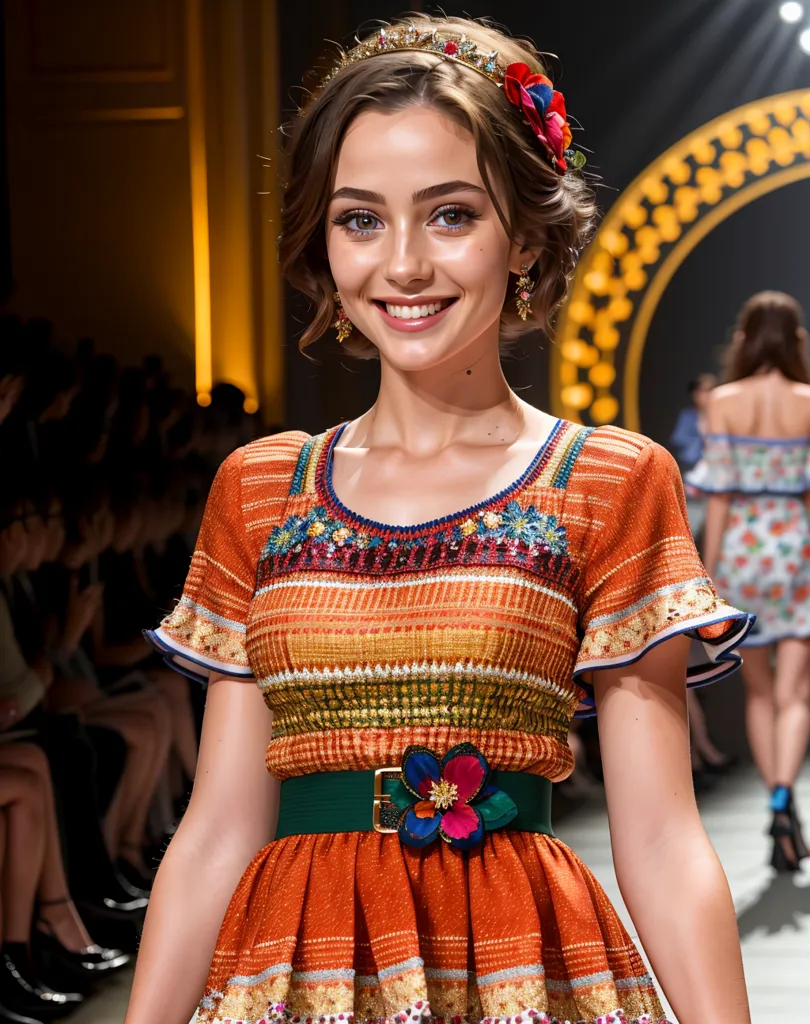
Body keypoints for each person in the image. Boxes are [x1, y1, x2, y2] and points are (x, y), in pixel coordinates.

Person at [125, 16, 753, 1024]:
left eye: (451, 214)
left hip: (520, 970)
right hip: (295, 974)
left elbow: (662, 838)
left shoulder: (606, 480)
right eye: (360, 219)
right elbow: (215, 829)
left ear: (528, 237)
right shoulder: (259, 488)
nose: (403, 264)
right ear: (322, 244)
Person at [687, 290, 810, 871]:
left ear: (745, 337)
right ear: (795, 339)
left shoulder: (724, 401)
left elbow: (720, 493)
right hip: (796, 546)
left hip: (741, 550)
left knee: (759, 691)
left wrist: (706, 574)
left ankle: (773, 795)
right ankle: (786, 792)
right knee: (795, 695)